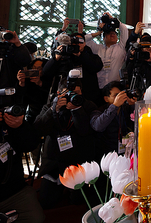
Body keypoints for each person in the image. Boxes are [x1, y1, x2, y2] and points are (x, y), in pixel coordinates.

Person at [34, 76, 97, 209]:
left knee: (78, 202)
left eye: (77, 93)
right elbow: (38, 129)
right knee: (46, 202)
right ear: (59, 93)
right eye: (68, 93)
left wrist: (76, 110)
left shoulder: (87, 105)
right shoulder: (50, 105)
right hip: (54, 162)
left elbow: (85, 131)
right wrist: (54, 109)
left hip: (79, 161)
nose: (73, 97)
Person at [0, 107, 44, 223]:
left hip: (14, 192)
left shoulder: (8, 126)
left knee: (37, 218)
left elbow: (31, 145)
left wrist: (20, 126)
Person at [43, 31, 104, 106]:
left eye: (80, 42)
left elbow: (97, 67)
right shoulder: (64, 57)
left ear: (85, 43)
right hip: (65, 97)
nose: (77, 44)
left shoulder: (91, 56)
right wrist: (56, 58)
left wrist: (80, 55)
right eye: (74, 42)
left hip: (88, 97)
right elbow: (46, 72)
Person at [90, 81, 136, 159]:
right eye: (116, 95)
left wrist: (134, 105)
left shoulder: (126, 108)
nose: (119, 98)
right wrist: (115, 106)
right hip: (107, 155)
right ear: (106, 98)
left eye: (120, 95)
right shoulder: (98, 111)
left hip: (126, 153)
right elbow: (98, 126)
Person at [85, 13, 129, 89]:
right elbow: (84, 40)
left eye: (114, 33)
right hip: (99, 86)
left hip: (116, 87)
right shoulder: (98, 48)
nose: (112, 34)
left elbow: (124, 30)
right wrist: (98, 32)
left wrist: (114, 20)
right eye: (108, 33)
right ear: (103, 38)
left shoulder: (121, 47)